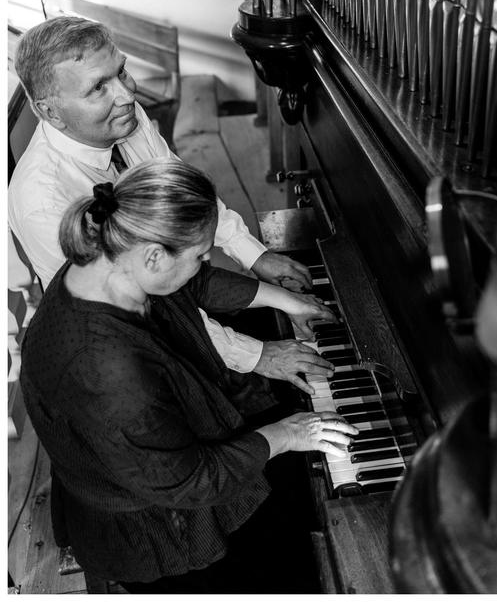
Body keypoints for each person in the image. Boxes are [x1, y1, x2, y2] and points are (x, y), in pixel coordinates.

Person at [20, 158, 358, 593]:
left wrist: (285, 300)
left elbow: (191, 283)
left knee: (300, 476)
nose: (205, 261)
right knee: (292, 556)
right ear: (154, 256)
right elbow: (189, 481)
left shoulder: (109, 261)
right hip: (165, 524)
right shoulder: (107, 370)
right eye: (200, 255)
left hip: (169, 450)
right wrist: (289, 433)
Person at [8, 15, 335, 395]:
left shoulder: (122, 117)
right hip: (129, 352)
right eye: (98, 88)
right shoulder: (44, 205)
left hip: (179, 284)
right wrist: (256, 355)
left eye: (121, 71)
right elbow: (140, 310)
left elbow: (185, 194)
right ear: (50, 112)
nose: (127, 95)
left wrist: (254, 255)